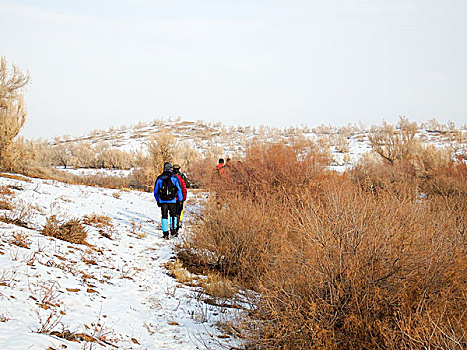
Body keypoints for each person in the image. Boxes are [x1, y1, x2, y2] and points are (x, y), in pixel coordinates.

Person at [154, 162, 183, 239]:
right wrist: (180, 200)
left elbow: (156, 191)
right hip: (172, 200)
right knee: (173, 215)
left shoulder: (160, 178)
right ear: (171, 169)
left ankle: (165, 233)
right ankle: (173, 231)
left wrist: (158, 200)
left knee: (164, 216)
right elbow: (179, 190)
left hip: (163, 200)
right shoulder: (174, 178)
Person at [172, 164, 187, 233]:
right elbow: (185, 186)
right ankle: (178, 223)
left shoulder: (170, 176)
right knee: (179, 211)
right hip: (179, 197)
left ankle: (173, 227)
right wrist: (184, 198)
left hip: (171, 198)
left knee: (172, 213)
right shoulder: (181, 176)